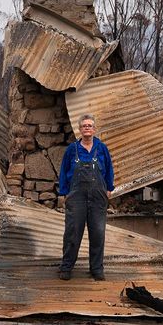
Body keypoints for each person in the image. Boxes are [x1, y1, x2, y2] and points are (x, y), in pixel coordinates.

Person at [56, 113, 114, 281]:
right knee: (72, 233)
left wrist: (109, 188)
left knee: (98, 233)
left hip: (98, 197)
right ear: (80, 130)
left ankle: (96, 269)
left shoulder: (102, 148)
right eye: (84, 126)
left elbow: (109, 169)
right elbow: (63, 171)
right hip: (76, 197)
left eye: (90, 125)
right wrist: (64, 193)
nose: (87, 128)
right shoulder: (71, 149)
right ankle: (66, 267)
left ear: (94, 129)